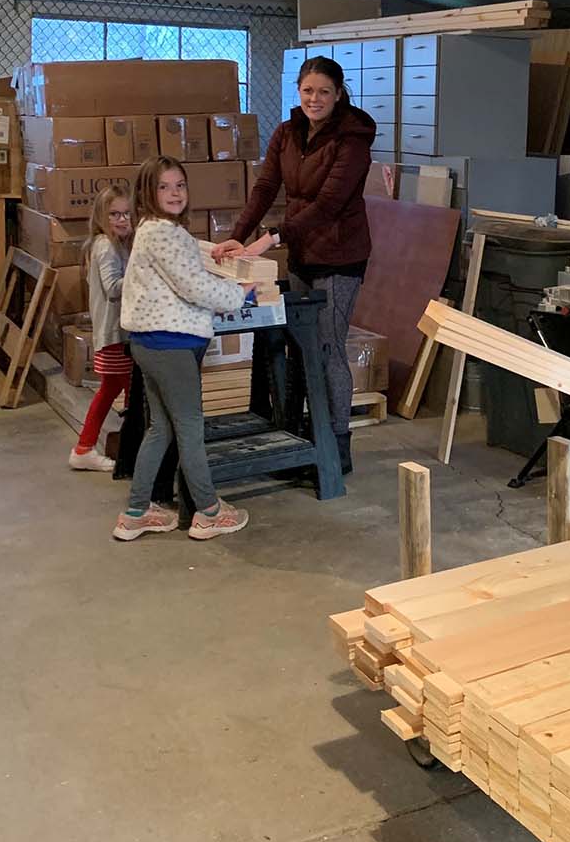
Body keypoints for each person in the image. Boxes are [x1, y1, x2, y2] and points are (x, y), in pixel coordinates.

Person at [213, 55, 375, 475]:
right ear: (298, 92)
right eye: (308, 91)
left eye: (324, 92)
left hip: (341, 255)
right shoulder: (288, 132)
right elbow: (266, 185)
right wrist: (239, 233)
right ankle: (306, 435)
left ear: (338, 94)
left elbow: (329, 204)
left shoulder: (352, 138)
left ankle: (338, 446)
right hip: (304, 251)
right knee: (300, 347)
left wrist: (270, 239)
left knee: (328, 347)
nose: (315, 99)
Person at [114, 156, 255, 542]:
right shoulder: (164, 234)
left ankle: (135, 513)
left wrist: (211, 252)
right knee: (190, 429)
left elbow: (186, 253)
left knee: (161, 429)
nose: (174, 193)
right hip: (171, 345)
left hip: (150, 343)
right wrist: (238, 295)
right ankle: (209, 512)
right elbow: (194, 286)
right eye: (164, 187)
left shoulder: (154, 229)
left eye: (180, 186)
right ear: (147, 193)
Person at [69, 186, 134, 473]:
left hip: (113, 334)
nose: (122, 219)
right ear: (101, 217)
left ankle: (84, 448)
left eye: (126, 214)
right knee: (132, 392)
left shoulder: (114, 244)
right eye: (114, 214)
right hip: (115, 335)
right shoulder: (106, 246)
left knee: (109, 390)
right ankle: (133, 454)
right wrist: (142, 276)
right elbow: (113, 289)